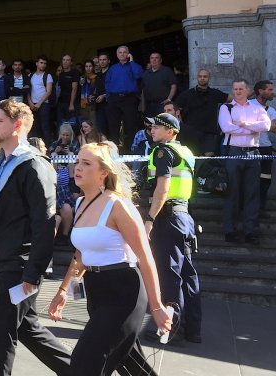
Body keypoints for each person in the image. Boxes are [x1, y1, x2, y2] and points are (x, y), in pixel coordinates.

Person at [48, 142, 172, 375]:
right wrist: (63, 290)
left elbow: (146, 257)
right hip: (96, 291)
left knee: (85, 364)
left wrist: (157, 307)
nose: (78, 167)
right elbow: (81, 255)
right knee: (130, 363)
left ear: (104, 172)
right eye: (77, 162)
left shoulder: (118, 206)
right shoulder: (80, 202)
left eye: (86, 163)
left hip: (124, 291)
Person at [0, 99, 70, 376]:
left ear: (17, 126)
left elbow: (44, 223)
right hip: (3, 256)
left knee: (1, 329)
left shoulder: (34, 165)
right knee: (28, 329)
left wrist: (33, 272)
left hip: (21, 263)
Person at [143, 113, 202, 344]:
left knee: (169, 274)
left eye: (157, 127)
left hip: (167, 217)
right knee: (188, 274)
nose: (152, 130)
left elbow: (163, 188)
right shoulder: (185, 152)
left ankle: (170, 328)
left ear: (170, 131)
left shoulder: (163, 151)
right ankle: (193, 330)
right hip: (183, 216)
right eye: (151, 127)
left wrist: (149, 218)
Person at [218, 79, 270, 244]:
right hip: (233, 153)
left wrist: (244, 124)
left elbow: (267, 126)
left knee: (252, 194)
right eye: (235, 89)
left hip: (253, 153)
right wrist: (252, 129)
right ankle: (230, 230)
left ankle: (250, 231)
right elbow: (227, 128)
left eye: (241, 88)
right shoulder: (226, 108)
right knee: (232, 192)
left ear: (248, 90)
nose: (238, 91)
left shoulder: (257, 108)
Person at [105, 46, 144, 152]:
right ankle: (114, 152)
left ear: (128, 54)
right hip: (114, 99)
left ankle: (129, 152)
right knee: (113, 127)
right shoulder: (113, 68)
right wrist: (109, 97)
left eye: (124, 52)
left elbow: (138, 75)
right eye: (120, 52)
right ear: (117, 55)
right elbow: (107, 83)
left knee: (130, 127)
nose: (122, 54)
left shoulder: (133, 66)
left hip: (129, 99)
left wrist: (131, 62)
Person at [250, 80, 276, 217]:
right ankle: (248, 209)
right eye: (269, 89)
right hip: (250, 148)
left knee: (266, 179)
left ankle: (261, 209)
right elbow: (246, 126)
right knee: (250, 181)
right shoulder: (249, 106)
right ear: (260, 91)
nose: (272, 92)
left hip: (266, 149)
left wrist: (257, 124)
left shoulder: (272, 110)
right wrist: (267, 124)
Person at [140, 52, 178, 117]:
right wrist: (143, 106)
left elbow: (173, 86)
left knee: (162, 125)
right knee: (151, 125)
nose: (154, 60)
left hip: (163, 104)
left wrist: (169, 99)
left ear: (161, 60)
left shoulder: (166, 70)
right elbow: (143, 90)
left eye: (156, 58)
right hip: (149, 105)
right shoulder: (145, 74)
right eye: (152, 58)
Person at [28, 55, 54, 144]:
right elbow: (27, 90)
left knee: (45, 127)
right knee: (33, 127)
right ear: (36, 63)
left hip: (44, 104)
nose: (43, 65)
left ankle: (47, 149)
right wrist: (30, 103)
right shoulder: (30, 75)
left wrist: (39, 104)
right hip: (32, 104)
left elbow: (48, 91)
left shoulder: (48, 75)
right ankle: (35, 147)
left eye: (45, 63)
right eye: (41, 63)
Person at [56, 54, 80, 125]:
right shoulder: (61, 74)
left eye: (67, 60)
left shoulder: (75, 72)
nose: (65, 62)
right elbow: (60, 89)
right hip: (61, 103)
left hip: (70, 103)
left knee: (71, 124)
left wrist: (71, 104)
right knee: (60, 124)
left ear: (71, 62)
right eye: (64, 60)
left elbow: (74, 89)